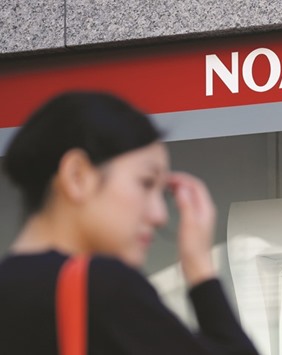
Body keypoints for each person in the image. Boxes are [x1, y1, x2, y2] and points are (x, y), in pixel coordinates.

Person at [0, 92, 259, 355]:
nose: (160, 216)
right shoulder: (103, 286)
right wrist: (200, 269)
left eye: (163, 194)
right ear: (77, 176)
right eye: (146, 183)